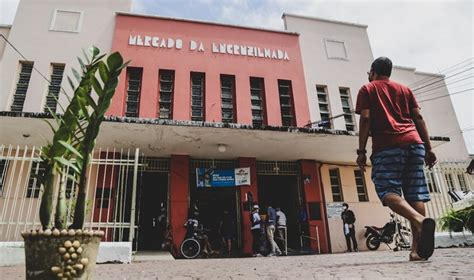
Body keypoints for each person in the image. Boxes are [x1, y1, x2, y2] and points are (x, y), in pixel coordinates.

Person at [356, 57, 437, 261]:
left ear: (373, 70)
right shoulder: (405, 90)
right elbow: (418, 118)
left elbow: (365, 118)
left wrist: (361, 151)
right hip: (415, 144)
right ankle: (417, 250)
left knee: (387, 190)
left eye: (369, 71)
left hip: (388, 146)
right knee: (415, 194)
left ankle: (420, 220)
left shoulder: (367, 89)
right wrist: (429, 148)